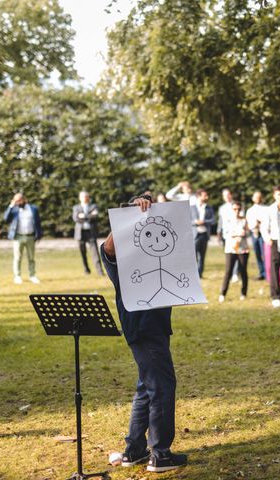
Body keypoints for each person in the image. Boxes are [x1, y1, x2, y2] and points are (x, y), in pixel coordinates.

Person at [101, 194, 187, 473]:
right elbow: (108, 247)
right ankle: (160, 455)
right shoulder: (119, 257)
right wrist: (130, 216)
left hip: (156, 327)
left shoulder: (151, 252)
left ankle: (134, 449)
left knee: (146, 387)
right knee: (162, 386)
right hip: (143, 329)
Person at [4, 193, 42, 284]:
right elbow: (5, 219)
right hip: (18, 237)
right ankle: (17, 276)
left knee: (31, 257)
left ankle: (32, 275)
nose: (17, 203)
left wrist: (39, 235)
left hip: (30, 236)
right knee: (17, 257)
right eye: (16, 201)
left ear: (24, 199)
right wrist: (11, 206)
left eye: (19, 200)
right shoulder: (14, 210)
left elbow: (38, 222)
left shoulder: (33, 209)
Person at [218, 201, 250, 302]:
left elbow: (248, 233)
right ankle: (223, 293)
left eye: (238, 209)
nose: (236, 211)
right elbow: (225, 234)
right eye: (234, 209)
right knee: (228, 271)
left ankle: (243, 293)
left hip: (242, 249)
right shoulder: (227, 220)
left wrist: (245, 233)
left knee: (243, 271)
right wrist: (236, 234)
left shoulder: (244, 220)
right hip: (230, 249)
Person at [72, 191, 104, 276]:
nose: (85, 198)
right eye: (83, 197)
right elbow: (76, 218)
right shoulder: (76, 207)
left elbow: (95, 217)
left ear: (88, 198)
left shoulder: (93, 206)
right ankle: (86, 270)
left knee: (95, 253)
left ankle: (100, 271)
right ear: (80, 198)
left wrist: (84, 216)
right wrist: (89, 216)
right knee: (83, 252)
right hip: (80, 233)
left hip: (91, 232)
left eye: (86, 196)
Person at [190, 189, 215, 278]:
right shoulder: (191, 207)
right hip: (195, 235)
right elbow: (187, 220)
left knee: (202, 256)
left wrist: (203, 222)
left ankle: (199, 274)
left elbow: (213, 220)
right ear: (199, 196)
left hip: (204, 234)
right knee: (193, 256)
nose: (207, 197)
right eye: (205, 195)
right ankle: (193, 275)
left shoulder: (209, 208)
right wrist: (195, 222)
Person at [245, 191, 267, 280]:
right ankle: (261, 272)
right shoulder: (250, 210)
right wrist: (254, 225)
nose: (258, 199)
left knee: (264, 254)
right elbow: (248, 223)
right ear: (253, 199)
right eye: (256, 197)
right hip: (254, 233)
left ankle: (267, 272)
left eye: (259, 197)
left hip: (263, 234)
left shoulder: (266, 209)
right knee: (257, 254)